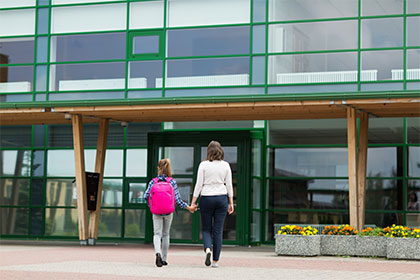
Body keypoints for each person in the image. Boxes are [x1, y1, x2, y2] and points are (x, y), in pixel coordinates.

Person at [144, 158, 196, 267]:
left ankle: (157, 253)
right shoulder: (171, 182)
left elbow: (145, 196)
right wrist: (189, 207)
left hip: (156, 212)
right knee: (166, 234)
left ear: (158, 168)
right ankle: (163, 259)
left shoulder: (153, 182)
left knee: (157, 234)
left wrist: (152, 206)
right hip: (168, 212)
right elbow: (177, 200)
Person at [191, 141, 234, 268]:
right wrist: (231, 202)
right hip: (221, 197)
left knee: (206, 228)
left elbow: (199, 184)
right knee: (218, 230)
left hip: (206, 197)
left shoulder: (203, 165)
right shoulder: (225, 165)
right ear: (220, 151)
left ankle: (207, 249)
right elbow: (229, 185)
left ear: (208, 151)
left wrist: (193, 201)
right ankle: (215, 261)